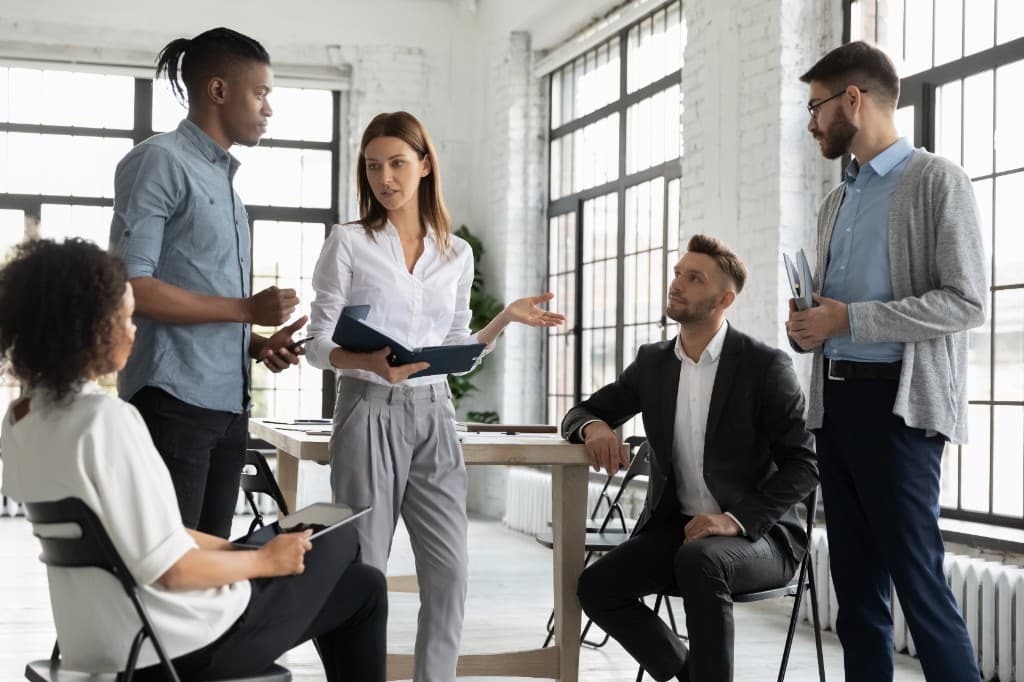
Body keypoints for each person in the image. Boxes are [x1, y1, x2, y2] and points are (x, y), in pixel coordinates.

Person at [0, 238, 386, 681]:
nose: (133, 330)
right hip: (175, 647)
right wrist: (266, 561)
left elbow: (131, 534)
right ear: (88, 327)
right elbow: (171, 570)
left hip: (92, 644)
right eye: (124, 318)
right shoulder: (105, 420)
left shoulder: (21, 418)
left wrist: (236, 549)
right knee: (341, 540)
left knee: (363, 587)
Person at [305, 110, 565, 681]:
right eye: (373, 166)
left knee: (449, 573)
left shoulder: (456, 253)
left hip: (435, 415)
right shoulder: (349, 242)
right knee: (363, 573)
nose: (385, 178)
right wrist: (365, 361)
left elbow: (455, 345)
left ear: (424, 166)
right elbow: (316, 343)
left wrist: (503, 320)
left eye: (398, 163)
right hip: (366, 409)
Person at [788, 41, 986, 681]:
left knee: (919, 587)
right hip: (835, 406)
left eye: (816, 107)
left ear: (853, 99)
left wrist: (849, 318)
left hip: (899, 409)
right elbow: (833, 315)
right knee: (856, 598)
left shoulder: (936, 181)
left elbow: (966, 302)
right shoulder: (835, 201)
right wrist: (809, 328)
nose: (811, 123)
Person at [566, 234, 818, 682]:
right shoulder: (654, 363)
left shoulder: (764, 366)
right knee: (597, 586)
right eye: (677, 273)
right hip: (679, 531)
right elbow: (581, 412)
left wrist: (734, 520)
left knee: (700, 560)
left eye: (694, 278)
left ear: (724, 300)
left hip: (761, 538)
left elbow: (805, 464)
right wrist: (595, 427)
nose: (677, 284)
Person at [109, 27, 307, 539]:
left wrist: (256, 344)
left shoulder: (224, 181)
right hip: (172, 405)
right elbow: (132, 288)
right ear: (218, 90)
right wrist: (245, 310)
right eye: (260, 93)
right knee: (170, 564)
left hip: (227, 410)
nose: (268, 108)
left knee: (211, 564)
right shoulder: (160, 161)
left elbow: (199, 297)